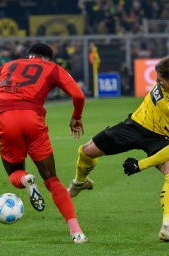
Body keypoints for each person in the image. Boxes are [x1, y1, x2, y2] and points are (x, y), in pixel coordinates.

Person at [0, 43, 87, 243]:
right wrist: (76, 117)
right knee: (52, 180)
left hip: (3, 117)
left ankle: (26, 179)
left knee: (15, 173)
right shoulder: (53, 68)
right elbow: (79, 95)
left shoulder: (7, 66)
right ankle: (76, 232)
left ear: (28, 56)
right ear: (48, 59)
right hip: (32, 118)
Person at [67, 56, 169, 242]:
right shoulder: (163, 81)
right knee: (87, 150)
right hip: (135, 125)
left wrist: (140, 165)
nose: (156, 82)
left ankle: (167, 226)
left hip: (161, 139)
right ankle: (80, 182)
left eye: (160, 80)